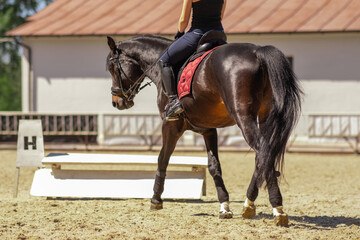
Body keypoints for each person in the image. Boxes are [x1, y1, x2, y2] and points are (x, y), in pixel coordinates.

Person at [159, 0, 227, 121]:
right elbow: (220, 16)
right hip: (218, 34)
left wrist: (180, 32)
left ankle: (174, 102)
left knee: (164, 61)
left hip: (198, 33)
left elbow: (183, 21)